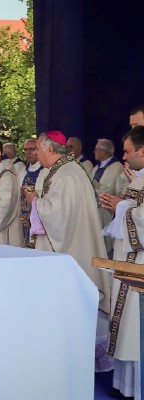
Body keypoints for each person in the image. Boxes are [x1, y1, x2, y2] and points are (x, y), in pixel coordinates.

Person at [23, 131, 112, 314]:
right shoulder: (66, 169)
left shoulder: (66, 175)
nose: (36, 153)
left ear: (48, 149)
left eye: (38, 149)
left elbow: (57, 215)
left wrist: (34, 201)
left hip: (70, 248)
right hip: (72, 242)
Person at [99, 126, 144, 400]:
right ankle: (127, 385)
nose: (124, 157)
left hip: (139, 263)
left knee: (136, 326)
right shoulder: (138, 180)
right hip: (128, 260)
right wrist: (117, 207)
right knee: (128, 325)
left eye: (128, 151)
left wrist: (121, 207)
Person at [89, 138, 122, 252]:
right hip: (95, 208)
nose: (94, 152)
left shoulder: (117, 166)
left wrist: (92, 189)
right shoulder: (96, 167)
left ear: (104, 151)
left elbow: (108, 190)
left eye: (96, 150)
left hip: (106, 209)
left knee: (105, 244)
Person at [19, 138, 47, 248]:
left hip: (39, 218)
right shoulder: (22, 171)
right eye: (26, 149)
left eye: (32, 149)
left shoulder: (45, 171)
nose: (28, 152)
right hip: (23, 218)